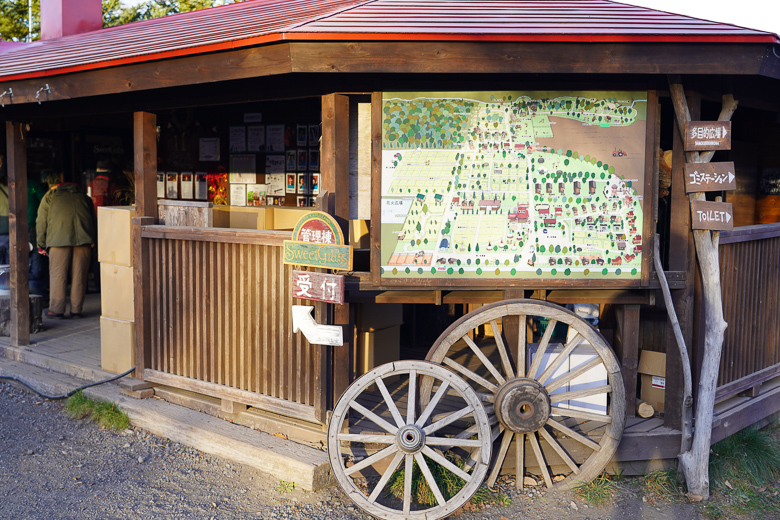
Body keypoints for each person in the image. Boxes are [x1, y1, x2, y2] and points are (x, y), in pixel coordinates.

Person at [37, 172, 96, 319]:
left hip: (58, 240)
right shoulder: (84, 197)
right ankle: (76, 310)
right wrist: (94, 240)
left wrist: (41, 244)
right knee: (80, 274)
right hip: (84, 240)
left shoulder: (50, 196)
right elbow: (94, 221)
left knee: (58, 274)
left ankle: (56, 310)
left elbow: (41, 222)